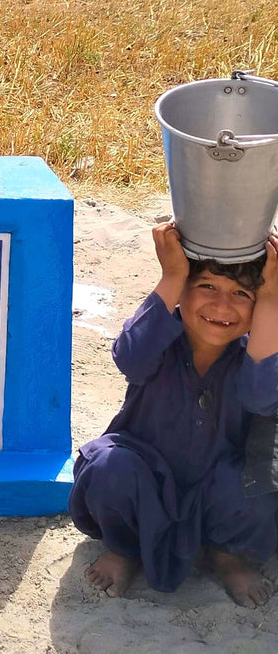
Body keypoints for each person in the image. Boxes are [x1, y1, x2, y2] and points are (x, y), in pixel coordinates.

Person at [69, 222, 278, 607]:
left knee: (260, 487)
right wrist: (172, 274)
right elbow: (128, 359)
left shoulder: (256, 353)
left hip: (220, 488)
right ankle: (126, 547)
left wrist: (271, 300)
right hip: (143, 477)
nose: (222, 306)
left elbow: (262, 398)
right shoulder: (161, 338)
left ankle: (227, 555)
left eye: (242, 294)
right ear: (182, 292)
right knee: (108, 467)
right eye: (207, 287)